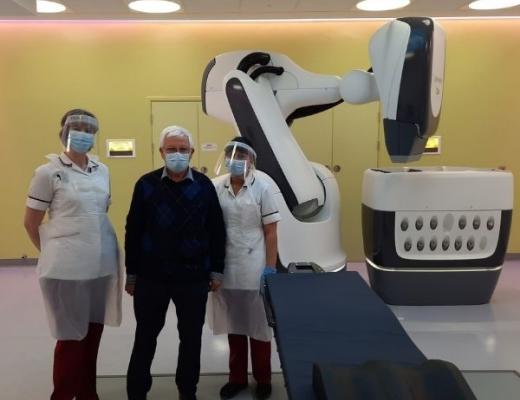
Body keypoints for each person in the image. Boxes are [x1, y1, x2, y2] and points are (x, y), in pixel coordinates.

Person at [23, 108, 122, 400]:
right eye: (76, 127)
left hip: (101, 265)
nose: (83, 133)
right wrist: (54, 252)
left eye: (89, 128)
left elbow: (100, 212)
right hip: (65, 270)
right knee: (70, 337)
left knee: (93, 333)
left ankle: (88, 393)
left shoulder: (102, 170)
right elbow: (31, 223)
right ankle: (64, 395)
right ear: (63, 132)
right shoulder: (48, 172)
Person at [125, 125, 226, 400]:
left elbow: (217, 230)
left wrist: (216, 270)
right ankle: (136, 392)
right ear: (161, 152)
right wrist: (131, 274)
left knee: (191, 339)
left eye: (183, 149)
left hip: (193, 277)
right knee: (145, 336)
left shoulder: (204, 186)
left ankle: (187, 391)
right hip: (151, 277)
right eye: (171, 149)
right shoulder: (145, 184)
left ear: (192, 152)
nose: (177, 154)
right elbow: (132, 230)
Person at [210, 137, 281, 400]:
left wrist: (270, 269)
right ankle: (236, 378)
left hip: (254, 267)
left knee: (259, 327)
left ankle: (263, 379)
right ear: (226, 159)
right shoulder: (218, 188)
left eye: (242, 156)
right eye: (232, 155)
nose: (237, 161)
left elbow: (271, 232)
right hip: (227, 267)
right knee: (235, 325)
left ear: (251, 160)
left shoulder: (262, 188)